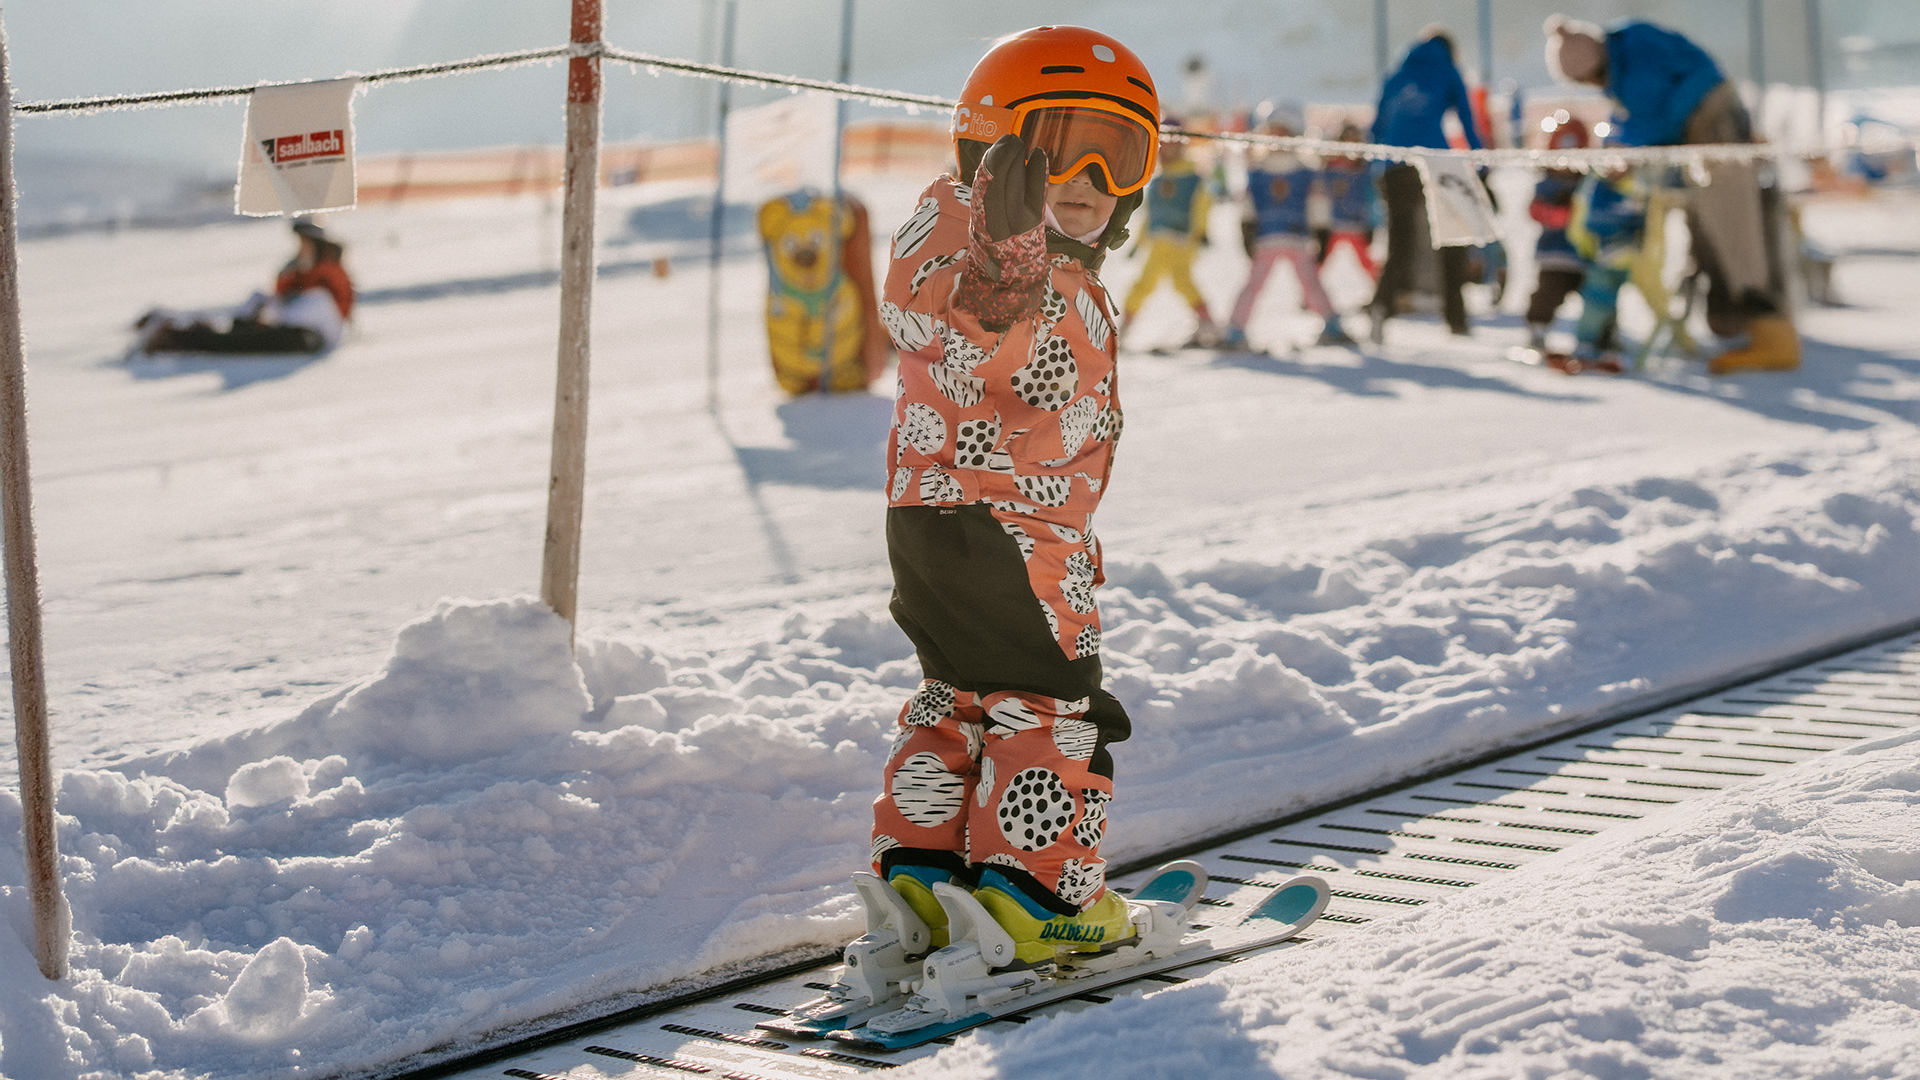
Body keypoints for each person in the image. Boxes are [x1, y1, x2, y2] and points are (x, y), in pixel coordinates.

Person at [869, 25, 1149, 967]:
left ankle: (925, 874)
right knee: (1050, 704)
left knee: (959, 700)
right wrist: (1003, 262)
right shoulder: (988, 246)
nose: (1089, 178)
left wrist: (1016, 257)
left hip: (934, 518)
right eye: (1060, 144)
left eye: (1121, 157)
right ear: (990, 141)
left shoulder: (1040, 258)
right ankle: (1038, 894)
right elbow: (937, 311)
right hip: (1013, 529)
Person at [1545, 15, 1798, 374]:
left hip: (1713, 124)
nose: (1596, 86)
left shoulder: (1633, 58)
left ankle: (1773, 335)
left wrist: (1628, 150)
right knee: (1711, 230)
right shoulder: (1627, 46)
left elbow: (1658, 117)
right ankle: (1736, 323)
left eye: (1588, 80)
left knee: (1733, 228)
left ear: (1594, 66)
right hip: (1703, 128)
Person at [1366, 26, 1482, 343]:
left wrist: (1375, 168)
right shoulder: (1448, 69)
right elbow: (1468, 122)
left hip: (1394, 163)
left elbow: (1376, 127)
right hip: (1436, 158)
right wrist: (1481, 163)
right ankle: (1456, 319)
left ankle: (1379, 311)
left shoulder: (1396, 73)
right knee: (1452, 239)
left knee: (1398, 246)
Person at [1224, 113, 1350, 349]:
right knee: (1254, 284)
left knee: (1310, 283)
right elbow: (1248, 205)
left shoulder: (1305, 172)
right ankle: (1235, 328)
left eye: (1283, 133)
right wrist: (1247, 230)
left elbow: (1317, 203)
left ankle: (1331, 322)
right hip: (1267, 238)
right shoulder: (1258, 172)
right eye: (1273, 133)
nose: (1277, 139)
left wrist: (1321, 231)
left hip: (1297, 237)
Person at [137, 219, 354, 355]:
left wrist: (280, 312)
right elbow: (280, 293)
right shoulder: (300, 269)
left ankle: (186, 338)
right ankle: (182, 331)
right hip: (289, 327)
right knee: (243, 326)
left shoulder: (330, 271)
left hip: (311, 336)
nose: (300, 249)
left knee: (247, 339)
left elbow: (329, 310)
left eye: (304, 243)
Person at [1120, 121, 1220, 348]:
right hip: (1158, 241)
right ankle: (1124, 326)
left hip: (1183, 240)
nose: (1165, 150)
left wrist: (1201, 233)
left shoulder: (1193, 178)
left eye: (1171, 144)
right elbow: (1151, 214)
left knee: (1182, 280)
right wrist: (1139, 241)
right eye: (1161, 145)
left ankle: (1208, 323)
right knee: (1144, 283)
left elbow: (1202, 205)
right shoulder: (1157, 179)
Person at [1551, 167, 1649, 374]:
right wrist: (1583, 246)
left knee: (1619, 302)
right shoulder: (1597, 186)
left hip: (1635, 257)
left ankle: (1608, 340)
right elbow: (1585, 219)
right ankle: (1587, 341)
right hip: (1604, 255)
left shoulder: (1640, 185)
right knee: (1597, 301)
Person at [1524, 116, 1592, 353]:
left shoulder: (1589, 184)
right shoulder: (1546, 185)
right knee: (1546, 295)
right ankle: (1537, 330)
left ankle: (1601, 336)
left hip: (1586, 256)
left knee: (1598, 298)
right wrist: (1561, 216)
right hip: (1554, 253)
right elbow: (1534, 210)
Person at [1315, 122, 1379, 282]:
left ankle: (1380, 288)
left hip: (1357, 223)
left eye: (1355, 142)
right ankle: (1310, 294)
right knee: (1321, 260)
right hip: (1333, 223)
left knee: (1366, 261)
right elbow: (1319, 194)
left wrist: (1372, 222)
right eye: (1347, 142)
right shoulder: (1329, 168)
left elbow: (1372, 198)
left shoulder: (1365, 170)